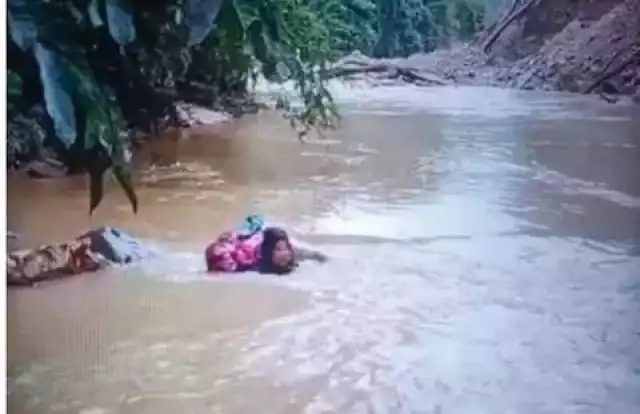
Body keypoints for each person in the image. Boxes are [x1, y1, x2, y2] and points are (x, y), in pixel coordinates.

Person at [205, 215, 327, 275]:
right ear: (269, 252)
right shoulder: (247, 263)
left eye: (286, 248)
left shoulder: (293, 252)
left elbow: (318, 256)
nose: (285, 253)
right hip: (250, 238)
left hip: (259, 234)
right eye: (279, 249)